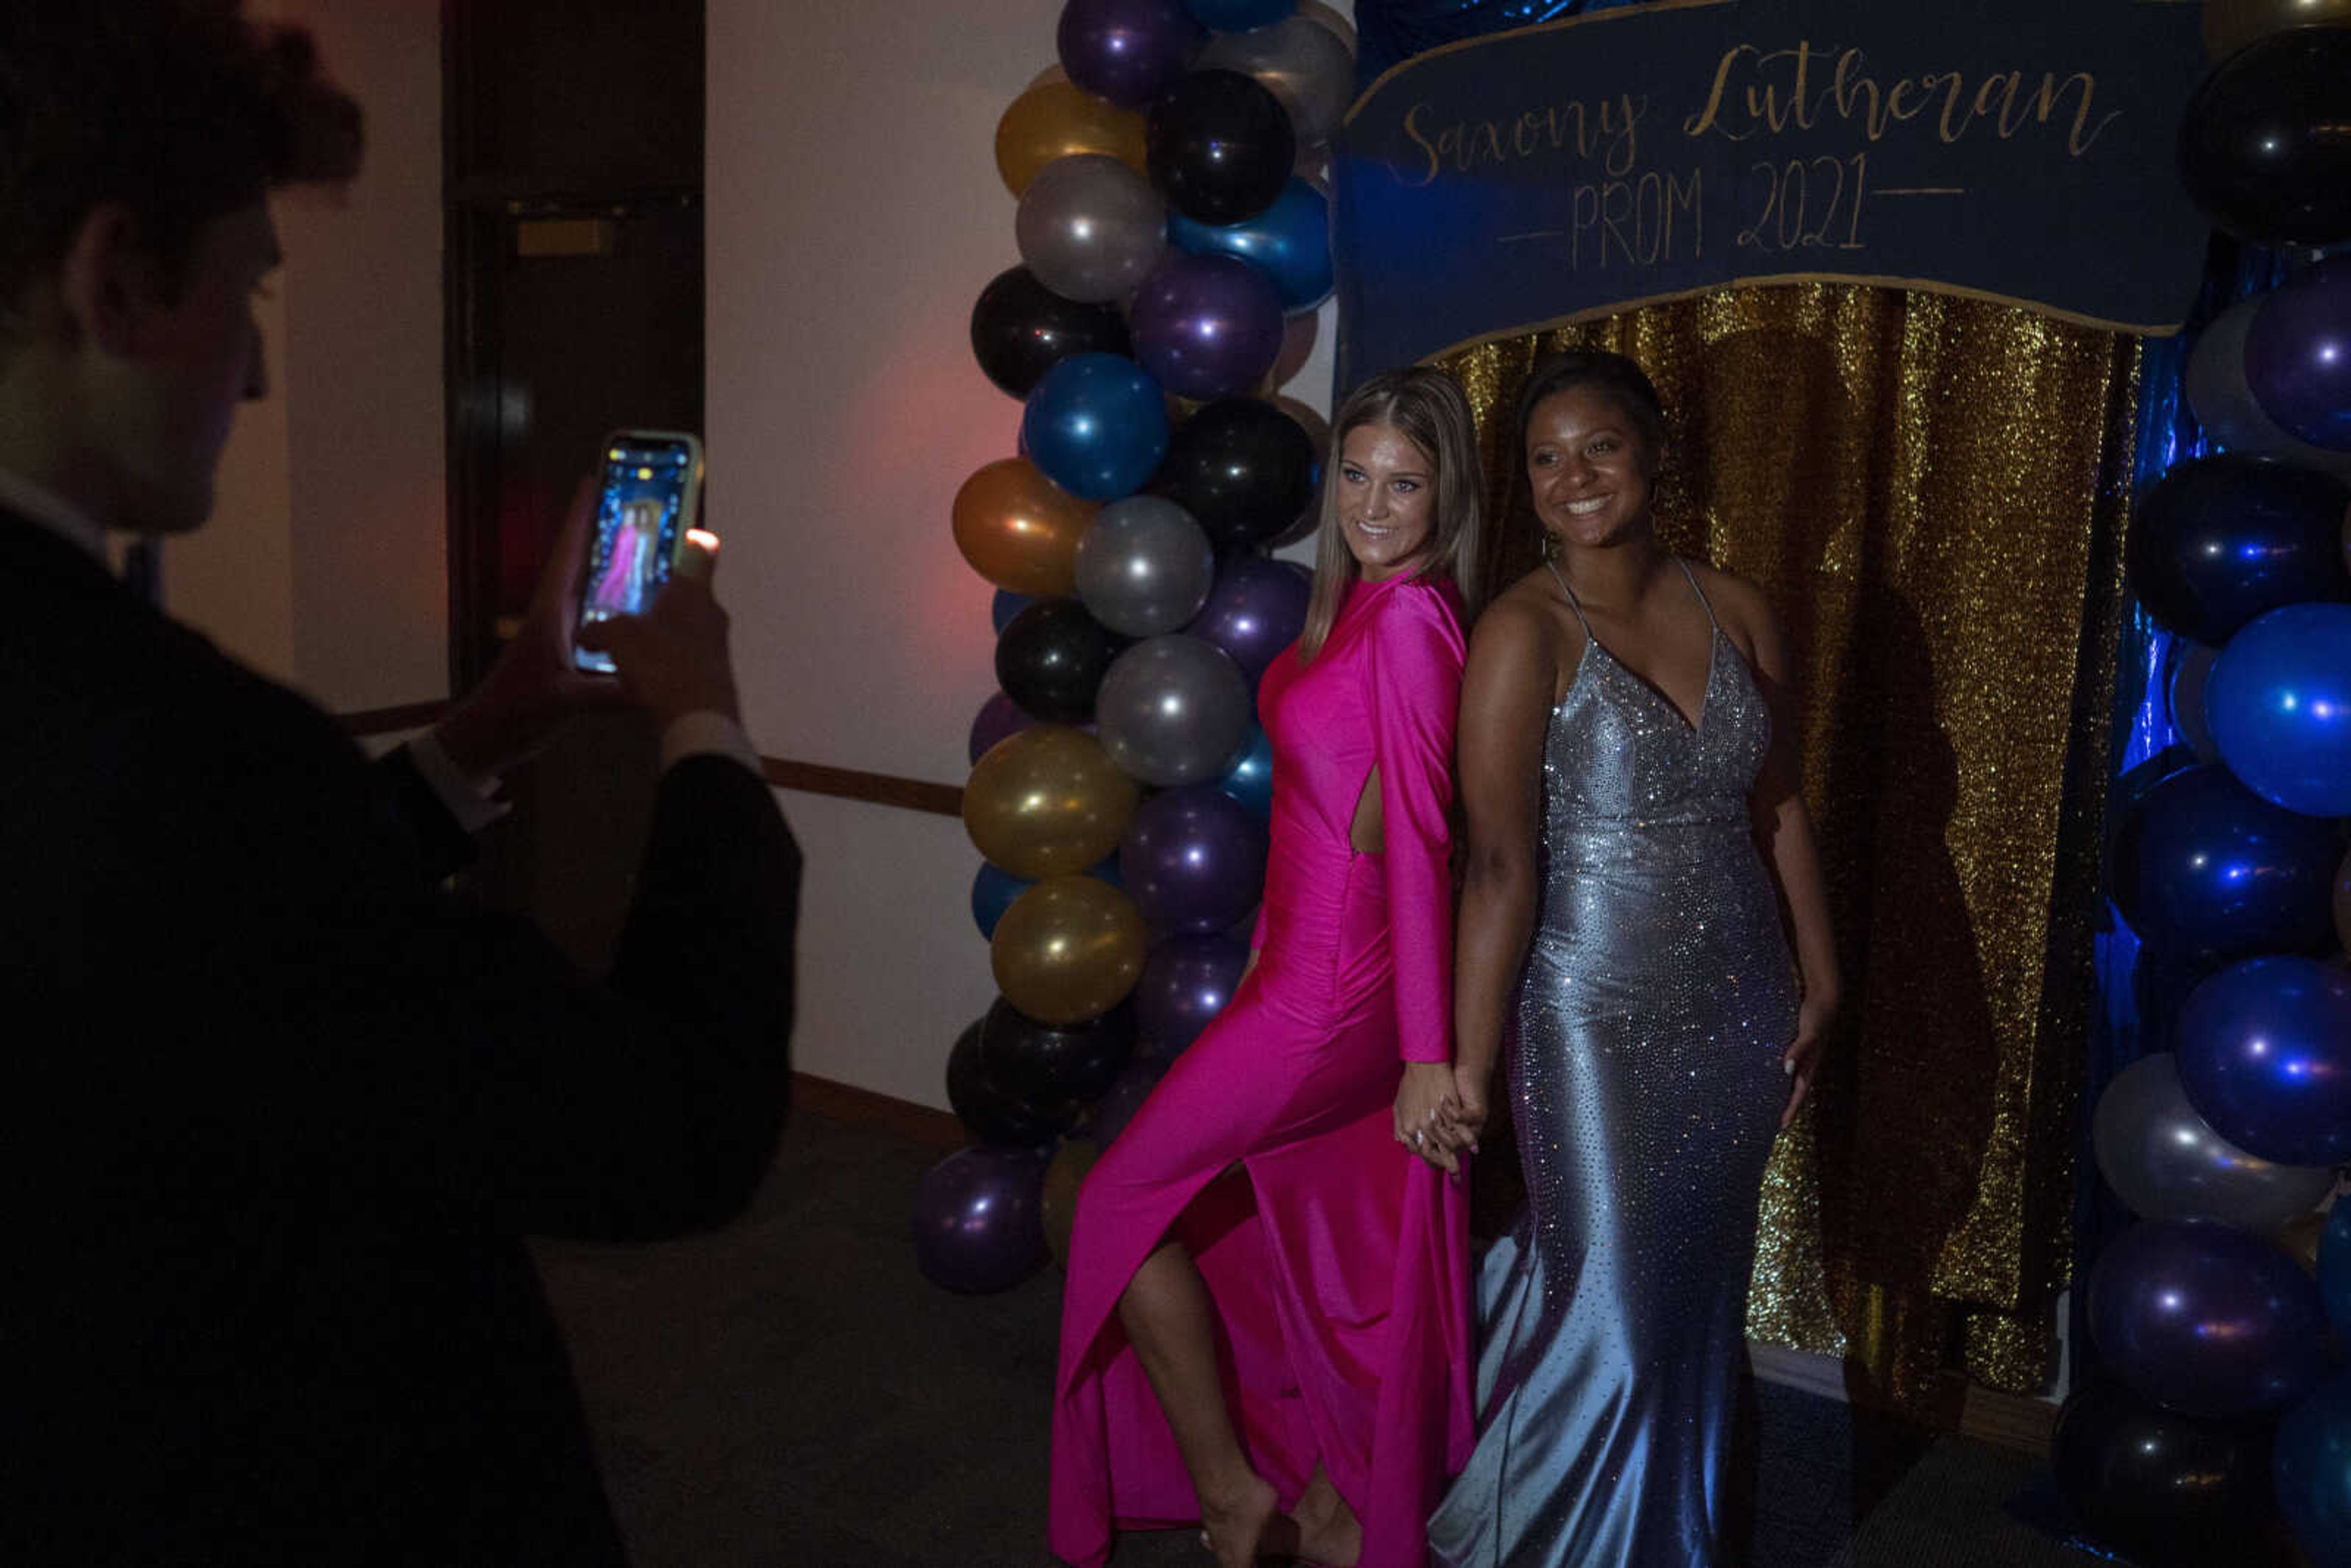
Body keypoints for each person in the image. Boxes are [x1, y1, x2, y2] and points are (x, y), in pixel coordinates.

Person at [0, 6, 798, 1562]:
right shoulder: (185, 749)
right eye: (250, 300)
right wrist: (702, 714)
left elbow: (202, 937)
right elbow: (664, 1134)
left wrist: (490, 724)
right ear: (113, 278)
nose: (250, 385)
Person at [1051, 367, 1483, 1568]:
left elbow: (1421, 848)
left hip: (1331, 1001)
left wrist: (1423, 1057)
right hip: (1298, 978)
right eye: (1357, 474)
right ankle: (1335, 1508)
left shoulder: (1409, 624)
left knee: (1117, 1205)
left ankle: (1237, 1497)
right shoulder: (1360, 609)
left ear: (1449, 494)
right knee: (1312, 1251)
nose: (1374, 503)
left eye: (1406, 482)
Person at [1425, 350, 1839, 1567]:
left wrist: (1822, 977)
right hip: (1590, 1013)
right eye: (1546, 460)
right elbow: (1498, 869)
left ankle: (1671, 1532)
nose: (1574, 478)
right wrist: (1468, 1061)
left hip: (1741, 1005)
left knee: (1687, 1302)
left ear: (1656, 452)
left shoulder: (1739, 604)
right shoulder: (1521, 629)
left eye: (1599, 446)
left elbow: (1782, 810)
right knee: (1609, 1294)